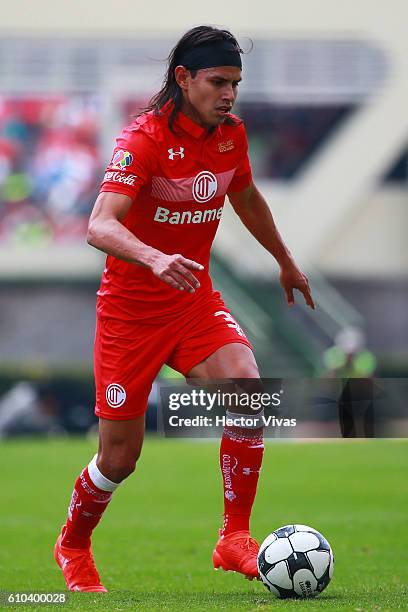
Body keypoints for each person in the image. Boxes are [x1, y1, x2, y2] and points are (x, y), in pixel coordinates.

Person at [54, 25, 315, 592]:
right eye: (218, 82)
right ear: (184, 79)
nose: (229, 94)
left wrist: (285, 260)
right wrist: (152, 257)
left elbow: (245, 197)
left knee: (247, 387)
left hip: (193, 304)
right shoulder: (143, 140)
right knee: (119, 459)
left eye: (235, 84)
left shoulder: (231, 136)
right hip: (130, 316)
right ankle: (73, 543)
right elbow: (99, 225)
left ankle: (234, 537)